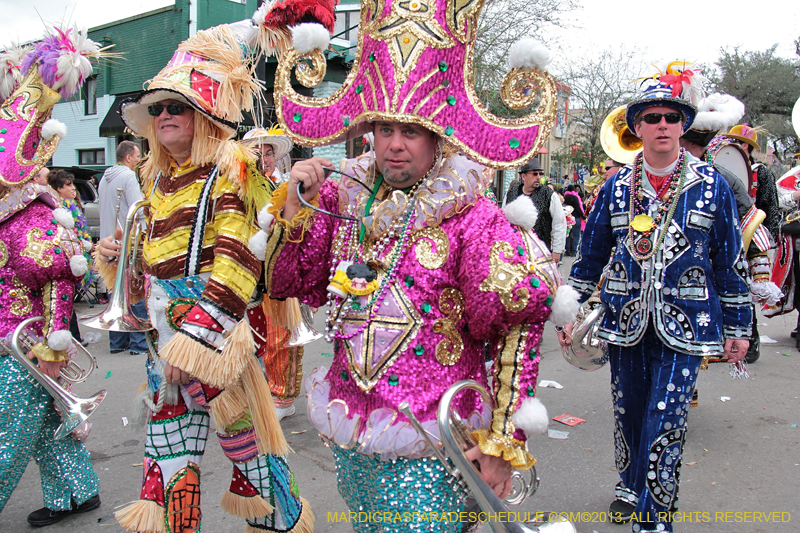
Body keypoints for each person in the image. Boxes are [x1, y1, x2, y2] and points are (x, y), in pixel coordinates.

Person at [264, 2, 580, 529]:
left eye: (411, 131)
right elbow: (288, 282)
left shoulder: (472, 218)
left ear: (439, 138)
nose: (393, 144)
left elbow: (516, 322)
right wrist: (294, 209)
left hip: (435, 440)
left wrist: (502, 440)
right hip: (353, 428)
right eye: (385, 128)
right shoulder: (346, 199)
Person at [94, 10, 329, 532]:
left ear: (206, 115)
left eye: (179, 106)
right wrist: (118, 257)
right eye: (158, 109)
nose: (165, 116)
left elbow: (239, 266)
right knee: (169, 463)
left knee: (252, 460)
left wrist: (195, 346)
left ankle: (282, 524)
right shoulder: (158, 180)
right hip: (166, 340)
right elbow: (152, 264)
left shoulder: (232, 169)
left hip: (215, 345)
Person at [560, 65, 752, 533]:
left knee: (667, 419)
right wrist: (569, 311)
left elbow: (729, 263)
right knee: (629, 413)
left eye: (671, 116)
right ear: (637, 127)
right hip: (624, 321)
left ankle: (655, 516)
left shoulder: (712, 186)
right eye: (652, 117)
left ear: (683, 124)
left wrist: (739, 327)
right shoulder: (615, 187)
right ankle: (630, 483)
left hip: (687, 325)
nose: (662, 124)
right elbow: (588, 259)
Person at [0, 30, 103, 527]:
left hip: (22, 346)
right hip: (20, 343)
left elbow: (57, 274)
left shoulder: (29, 216)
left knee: (6, 436)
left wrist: (55, 347)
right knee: (44, 430)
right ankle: (77, 493)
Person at [242, 127, 305, 421]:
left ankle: (283, 398)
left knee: (281, 338)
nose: (265, 158)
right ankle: (264, 390)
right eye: (259, 153)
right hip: (250, 274)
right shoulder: (239, 186)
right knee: (258, 338)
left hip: (278, 273)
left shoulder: (284, 186)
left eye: (269, 153)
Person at [97, 141, 148, 355]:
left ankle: (117, 342)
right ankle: (138, 342)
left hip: (108, 239)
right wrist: (145, 235)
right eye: (137, 156)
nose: (138, 160)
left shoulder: (103, 177)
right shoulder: (128, 176)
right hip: (127, 238)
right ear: (128, 157)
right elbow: (138, 208)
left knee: (115, 287)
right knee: (134, 287)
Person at [502, 158, 567, 261]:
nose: (538, 177)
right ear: (524, 176)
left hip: (541, 252)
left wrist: (557, 251)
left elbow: (559, 223)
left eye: (540, 174)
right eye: (534, 174)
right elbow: (503, 221)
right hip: (515, 253)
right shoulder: (512, 193)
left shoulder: (549, 195)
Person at [563, 184, 584, 256]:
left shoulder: (564, 198)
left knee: (567, 234)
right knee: (576, 235)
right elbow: (578, 209)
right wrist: (584, 217)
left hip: (567, 218)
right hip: (576, 218)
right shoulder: (575, 197)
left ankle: (567, 250)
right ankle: (574, 251)